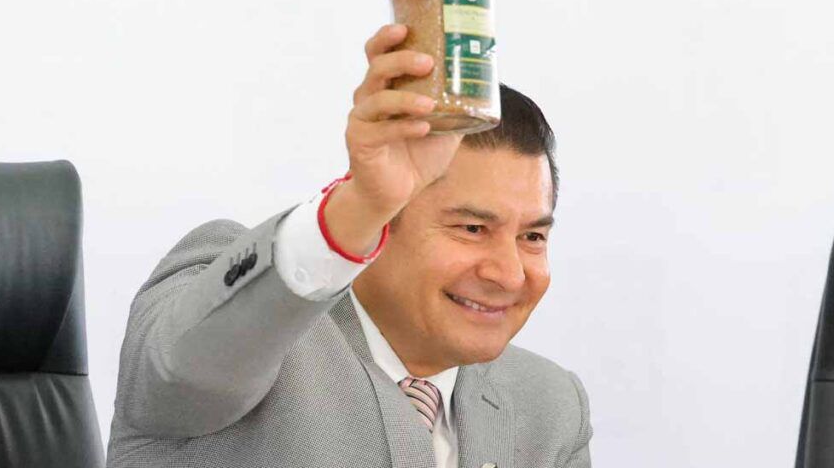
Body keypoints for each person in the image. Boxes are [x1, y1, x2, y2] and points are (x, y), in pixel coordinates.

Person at [106, 24, 593, 468]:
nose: (509, 274)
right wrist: (359, 204)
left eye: (532, 236)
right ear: (384, 220)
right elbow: (180, 371)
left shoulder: (551, 408)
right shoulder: (249, 334)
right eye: (471, 229)